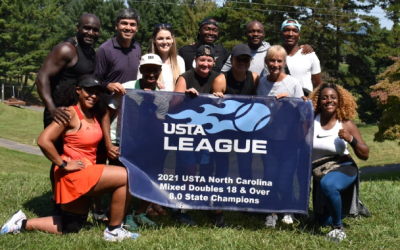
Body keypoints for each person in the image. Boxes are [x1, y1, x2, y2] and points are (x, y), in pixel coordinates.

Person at [1, 75, 139, 242]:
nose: (93, 96)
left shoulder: (92, 113)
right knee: (128, 176)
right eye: (89, 91)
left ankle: (20, 223)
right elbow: (43, 141)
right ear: (78, 90)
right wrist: (63, 163)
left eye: (97, 93)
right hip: (75, 172)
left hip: (84, 170)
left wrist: (109, 146)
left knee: (71, 226)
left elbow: (104, 118)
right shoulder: (70, 113)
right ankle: (114, 230)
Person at [35, 13, 101, 215]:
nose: (90, 32)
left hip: (75, 115)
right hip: (59, 113)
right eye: (86, 28)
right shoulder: (66, 49)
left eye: (95, 29)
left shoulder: (90, 52)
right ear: (77, 28)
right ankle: (58, 205)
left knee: (74, 158)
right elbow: (42, 77)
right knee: (58, 159)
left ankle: (71, 201)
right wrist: (52, 108)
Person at [101, 54, 165, 230]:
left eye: (155, 70)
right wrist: (108, 144)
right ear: (141, 70)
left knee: (153, 175)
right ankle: (120, 216)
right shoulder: (126, 88)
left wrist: (150, 104)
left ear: (160, 71)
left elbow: (158, 124)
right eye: (147, 69)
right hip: (121, 141)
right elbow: (106, 115)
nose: (151, 74)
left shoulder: (163, 94)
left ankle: (140, 212)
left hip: (144, 142)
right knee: (126, 181)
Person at [309, 83, 369, 242]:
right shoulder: (310, 120)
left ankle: (338, 229)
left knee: (328, 185)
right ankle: (351, 207)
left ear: (339, 100)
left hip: (344, 167)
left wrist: (351, 139)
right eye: (324, 98)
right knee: (321, 221)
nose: (329, 101)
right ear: (318, 101)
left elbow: (365, 154)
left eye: (333, 97)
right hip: (319, 171)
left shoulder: (345, 123)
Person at [174, 44, 222, 227]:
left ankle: (203, 203)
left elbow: (222, 105)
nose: (205, 63)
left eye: (209, 60)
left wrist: (219, 97)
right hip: (187, 132)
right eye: (202, 59)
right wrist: (184, 97)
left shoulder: (217, 78)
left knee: (206, 170)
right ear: (195, 60)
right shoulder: (185, 77)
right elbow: (172, 106)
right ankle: (181, 208)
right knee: (188, 170)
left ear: (214, 62)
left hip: (207, 133)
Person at [256, 45, 304, 228]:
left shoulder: (293, 83)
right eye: (272, 60)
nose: (275, 64)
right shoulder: (262, 82)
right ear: (266, 62)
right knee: (269, 177)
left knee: (285, 178)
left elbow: (303, 111)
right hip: (268, 139)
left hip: (289, 141)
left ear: (284, 62)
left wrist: (290, 101)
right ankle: (271, 212)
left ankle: (288, 208)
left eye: (279, 61)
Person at [221, 21, 313, 77]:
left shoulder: (272, 51)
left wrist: (305, 47)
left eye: (259, 31)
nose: (255, 34)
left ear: (264, 34)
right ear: (246, 34)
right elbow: (223, 73)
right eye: (251, 31)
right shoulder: (239, 53)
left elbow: (284, 76)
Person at [95, 8, 141, 95]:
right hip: (109, 104)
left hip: (131, 102)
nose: (128, 28)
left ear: (137, 28)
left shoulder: (137, 47)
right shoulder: (104, 50)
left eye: (132, 24)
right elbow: (95, 81)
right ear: (116, 26)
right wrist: (107, 85)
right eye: (124, 23)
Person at [281, 19, 322, 95]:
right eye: (286, 30)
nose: (290, 34)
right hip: (281, 104)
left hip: (304, 104)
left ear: (299, 36)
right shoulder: (275, 56)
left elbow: (318, 86)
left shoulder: (309, 55)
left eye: (295, 31)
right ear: (281, 34)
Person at [140, 23, 185, 92]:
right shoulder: (146, 61)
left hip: (175, 102)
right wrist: (152, 84)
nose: (164, 42)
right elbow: (138, 85)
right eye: (160, 38)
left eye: (168, 38)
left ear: (172, 40)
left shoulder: (179, 61)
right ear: (154, 40)